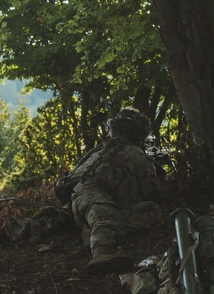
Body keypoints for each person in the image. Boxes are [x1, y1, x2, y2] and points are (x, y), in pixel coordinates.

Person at [64, 107, 162, 275]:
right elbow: (151, 192)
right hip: (95, 201)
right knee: (111, 218)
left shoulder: (99, 150)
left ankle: (89, 230)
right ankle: (101, 253)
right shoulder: (133, 153)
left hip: (75, 204)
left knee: (141, 211)